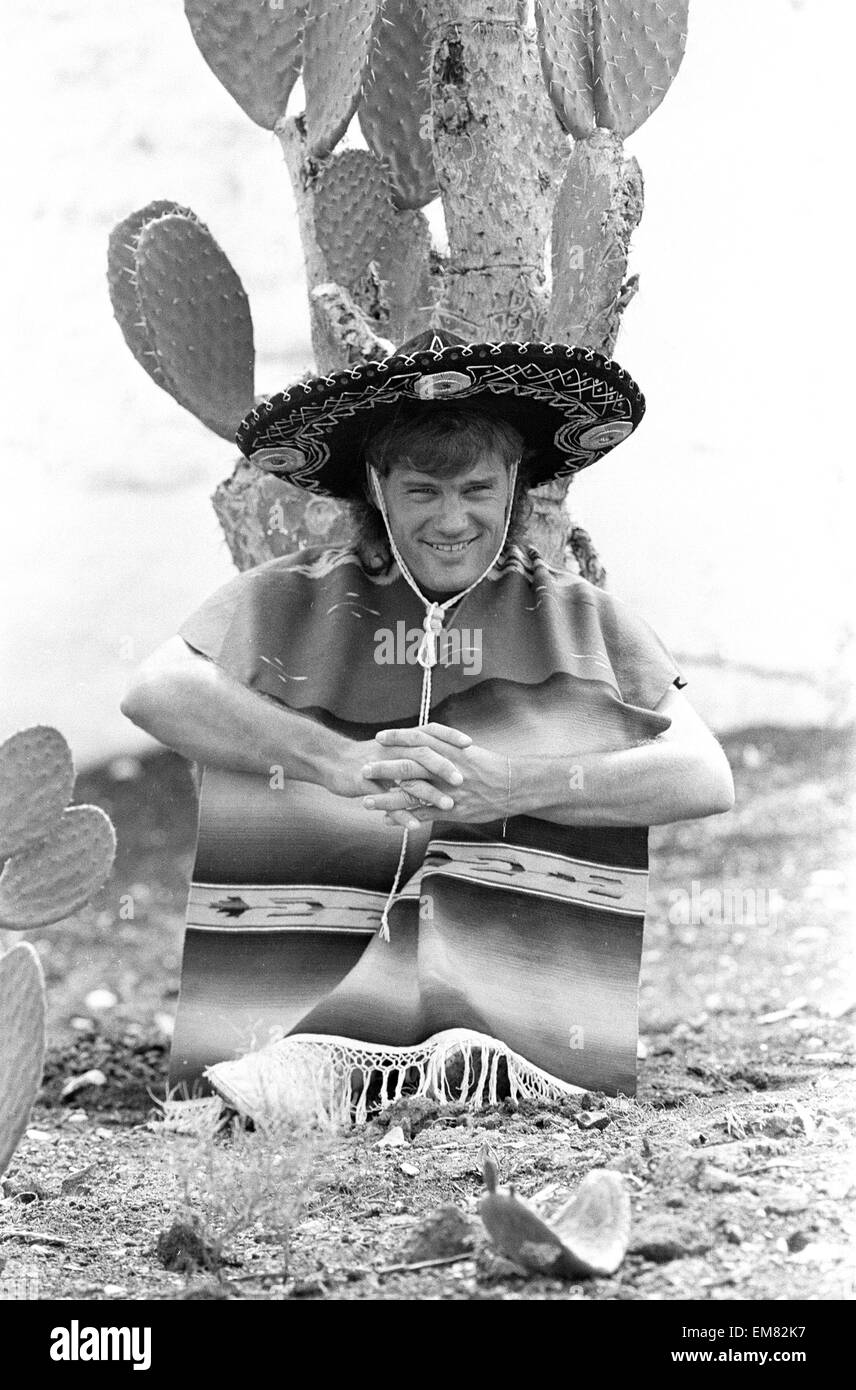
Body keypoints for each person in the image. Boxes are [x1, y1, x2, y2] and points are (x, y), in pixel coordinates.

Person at [121, 331, 734, 1110]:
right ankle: (316, 1061)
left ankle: (480, 1048)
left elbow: (705, 775)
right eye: (423, 492)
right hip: (286, 1029)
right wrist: (333, 759)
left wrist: (515, 785)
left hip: (514, 1044)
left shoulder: (580, 619)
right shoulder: (292, 597)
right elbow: (154, 689)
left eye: (477, 489)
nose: (453, 520)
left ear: (514, 483)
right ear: (377, 488)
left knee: (565, 724)